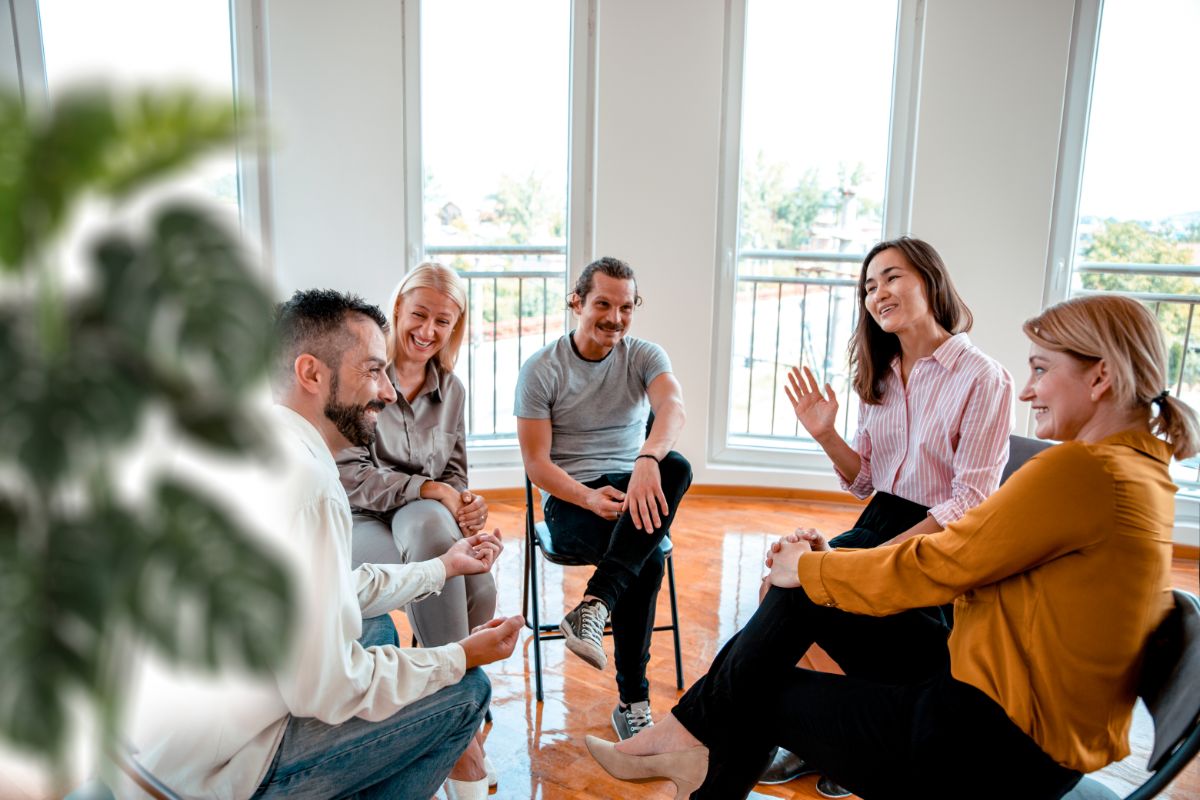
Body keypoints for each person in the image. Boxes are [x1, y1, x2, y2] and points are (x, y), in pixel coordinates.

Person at [585, 293, 1198, 800]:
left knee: (758, 690)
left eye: (1041, 369)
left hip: (990, 746)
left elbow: (945, 560)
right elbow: (964, 555)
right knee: (798, 606)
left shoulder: (1083, 473)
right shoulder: (1137, 472)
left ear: (1103, 375)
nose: (1029, 391)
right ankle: (683, 744)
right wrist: (824, 570)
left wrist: (816, 569)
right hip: (1005, 697)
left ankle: (685, 747)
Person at [130, 289, 523, 799]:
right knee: (468, 692)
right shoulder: (311, 488)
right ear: (312, 374)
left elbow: (327, 590)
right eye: (373, 371)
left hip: (160, 743)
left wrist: (442, 568)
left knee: (376, 626)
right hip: (212, 773)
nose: (385, 390)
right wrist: (457, 656)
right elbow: (328, 687)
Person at [767, 236, 1014, 793]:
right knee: (780, 586)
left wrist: (871, 560)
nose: (879, 293)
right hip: (879, 521)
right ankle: (818, 741)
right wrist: (826, 433)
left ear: (929, 280)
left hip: (937, 540)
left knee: (806, 591)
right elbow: (864, 481)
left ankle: (838, 743)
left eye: (892, 277)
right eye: (869, 286)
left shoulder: (983, 377)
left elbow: (970, 501)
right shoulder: (882, 374)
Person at [336, 263, 497, 796]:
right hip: (362, 519)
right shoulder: (363, 376)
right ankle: (463, 732)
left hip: (422, 517)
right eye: (420, 315)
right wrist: (432, 493)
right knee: (432, 526)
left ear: (456, 327)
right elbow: (352, 476)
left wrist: (467, 506)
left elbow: (454, 473)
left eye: (443, 322)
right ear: (398, 311)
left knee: (483, 584)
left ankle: (451, 714)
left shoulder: (451, 390)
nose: (428, 330)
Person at [516, 256, 692, 740]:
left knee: (676, 465)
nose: (615, 317)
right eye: (603, 304)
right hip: (572, 500)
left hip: (635, 485)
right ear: (576, 302)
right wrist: (590, 500)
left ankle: (595, 604)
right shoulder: (541, 370)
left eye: (626, 306)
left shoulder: (644, 355)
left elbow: (672, 409)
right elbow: (537, 466)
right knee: (649, 558)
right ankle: (633, 703)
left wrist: (647, 461)